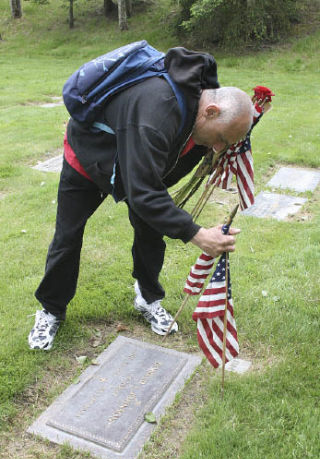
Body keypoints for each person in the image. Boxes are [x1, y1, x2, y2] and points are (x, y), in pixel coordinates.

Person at [28, 46, 253, 350]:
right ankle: (51, 310)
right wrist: (196, 234)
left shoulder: (198, 100)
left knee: (151, 231)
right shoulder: (156, 112)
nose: (218, 148)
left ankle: (147, 298)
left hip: (133, 159)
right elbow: (145, 192)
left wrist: (224, 145)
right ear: (211, 112)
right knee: (68, 235)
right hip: (88, 156)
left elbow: (159, 178)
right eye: (221, 139)